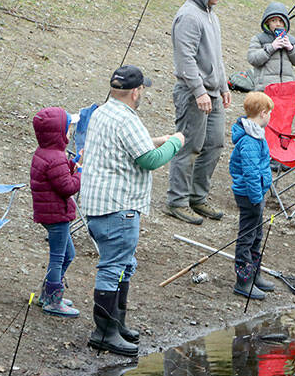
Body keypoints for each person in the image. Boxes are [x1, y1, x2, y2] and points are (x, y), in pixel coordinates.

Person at [81, 65, 184, 357]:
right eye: (142, 90)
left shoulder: (103, 112)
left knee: (123, 264)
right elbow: (150, 160)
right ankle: (104, 333)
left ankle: (117, 324)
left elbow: (126, 147)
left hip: (98, 206)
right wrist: (175, 142)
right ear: (136, 91)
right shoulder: (127, 119)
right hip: (118, 208)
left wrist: (160, 140)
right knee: (113, 267)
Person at [167, 0, 230, 226]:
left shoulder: (211, 15)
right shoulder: (189, 17)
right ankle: (177, 201)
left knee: (214, 144)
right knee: (189, 146)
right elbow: (186, 61)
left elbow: (216, 55)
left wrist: (224, 86)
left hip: (213, 93)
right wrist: (199, 91)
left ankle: (197, 196)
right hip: (194, 94)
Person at [31, 107, 81, 317]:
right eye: (68, 130)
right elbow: (68, 187)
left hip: (49, 213)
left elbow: (57, 173)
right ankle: (53, 300)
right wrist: (80, 173)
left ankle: (47, 293)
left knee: (68, 253)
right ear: (58, 133)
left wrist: (73, 163)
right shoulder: (55, 157)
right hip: (56, 215)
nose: (69, 134)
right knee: (58, 257)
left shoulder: (45, 153)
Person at [229, 91, 275, 300]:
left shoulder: (257, 134)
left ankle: (255, 274)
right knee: (247, 238)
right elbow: (250, 172)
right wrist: (257, 198)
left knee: (256, 236)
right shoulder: (249, 141)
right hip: (250, 196)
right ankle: (243, 281)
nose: (270, 117)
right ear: (264, 113)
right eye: (270, 113)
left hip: (256, 194)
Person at [246, 2, 295, 90]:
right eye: (273, 21)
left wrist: (291, 48)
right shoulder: (259, 39)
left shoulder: (292, 40)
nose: (278, 24)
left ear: (285, 23)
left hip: (286, 89)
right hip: (265, 89)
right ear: (267, 22)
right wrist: (271, 48)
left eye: (281, 21)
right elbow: (252, 59)